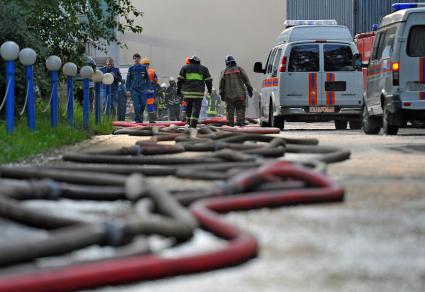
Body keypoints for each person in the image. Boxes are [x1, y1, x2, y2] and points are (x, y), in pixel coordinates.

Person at [177, 55, 212, 128]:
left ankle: (188, 122)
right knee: (196, 108)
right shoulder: (204, 69)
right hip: (198, 94)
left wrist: (178, 91)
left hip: (187, 93)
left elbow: (179, 81)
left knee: (188, 108)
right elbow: (209, 81)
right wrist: (209, 90)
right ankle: (192, 125)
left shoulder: (184, 68)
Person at [219, 55, 253, 127]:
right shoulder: (239, 69)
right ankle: (240, 124)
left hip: (228, 96)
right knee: (240, 108)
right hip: (240, 95)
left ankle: (230, 125)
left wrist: (221, 94)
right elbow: (246, 80)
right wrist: (250, 90)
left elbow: (221, 84)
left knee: (230, 110)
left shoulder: (224, 71)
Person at [126, 53, 150, 123]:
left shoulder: (143, 68)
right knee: (136, 105)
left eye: (137, 58)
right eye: (135, 58)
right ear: (133, 59)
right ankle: (138, 119)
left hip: (142, 89)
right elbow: (128, 80)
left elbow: (147, 79)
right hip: (134, 90)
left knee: (143, 104)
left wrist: (148, 88)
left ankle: (139, 116)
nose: (136, 59)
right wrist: (128, 89)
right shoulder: (131, 69)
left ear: (139, 59)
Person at [142, 58, 158, 123]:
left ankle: (140, 120)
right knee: (150, 105)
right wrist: (152, 85)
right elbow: (156, 80)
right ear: (148, 64)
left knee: (141, 105)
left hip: (142, 91)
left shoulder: (140, 71)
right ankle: (151, 120)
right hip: (150, 91)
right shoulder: (152, 71)